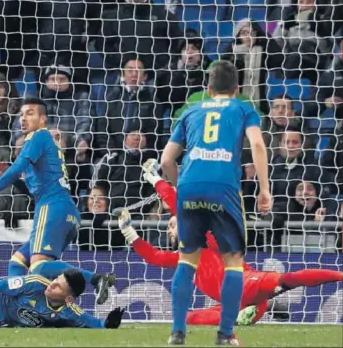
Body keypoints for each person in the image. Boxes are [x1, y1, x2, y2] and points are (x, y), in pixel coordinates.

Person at [118, 158, 343, 328]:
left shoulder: (207, 241)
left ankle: (338, 276)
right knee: (187, 319)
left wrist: (156, 180)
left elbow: (178, 205)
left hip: (247, 284)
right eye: (170, 226)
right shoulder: (183, 258)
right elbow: (153, 257)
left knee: (290, 280)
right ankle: (248, 316)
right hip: (239, 306)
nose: (171, 227)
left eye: (174, 223)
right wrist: (128, 231)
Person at [160, 60, 272, 346]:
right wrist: (264, 189)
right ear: (237, 89)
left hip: (189, 186)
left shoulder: (191, 111)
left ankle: (177, 332)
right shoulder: (243, 108)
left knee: (187, 259)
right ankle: (224, 335)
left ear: (208, 90)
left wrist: (179, 186)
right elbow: (258, 145)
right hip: (224, 187)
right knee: (233, 261)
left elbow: (166, 159)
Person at [0, 97, 115, 305]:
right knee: (18, 260)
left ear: (43, 119)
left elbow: (18, 168)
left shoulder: (38, 136)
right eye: (22, 114)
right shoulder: (45, 145)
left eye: (30, 113)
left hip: (52, 209)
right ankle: (18, 305)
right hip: (64, 211)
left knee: (39, 267)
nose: (24, 118)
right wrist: (12, 177)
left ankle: (97, 279)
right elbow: (31, 188)